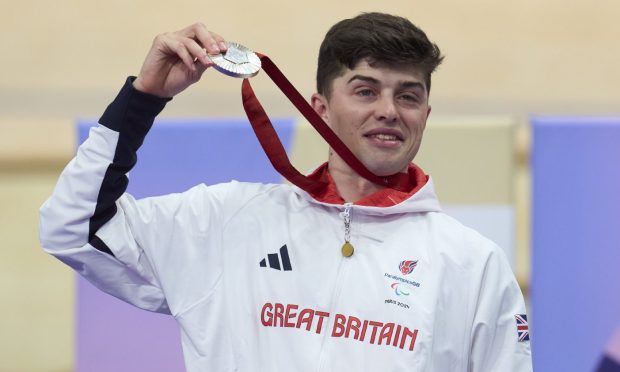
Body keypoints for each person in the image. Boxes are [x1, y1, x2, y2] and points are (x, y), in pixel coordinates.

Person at [39, 12, 532, 371]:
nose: (389, 109)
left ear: (425, 114)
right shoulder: (228, 222)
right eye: (365, 91)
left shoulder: (472, 264)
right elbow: (74, 226)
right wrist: (143, 99)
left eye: (408, 95)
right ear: (319, 108)